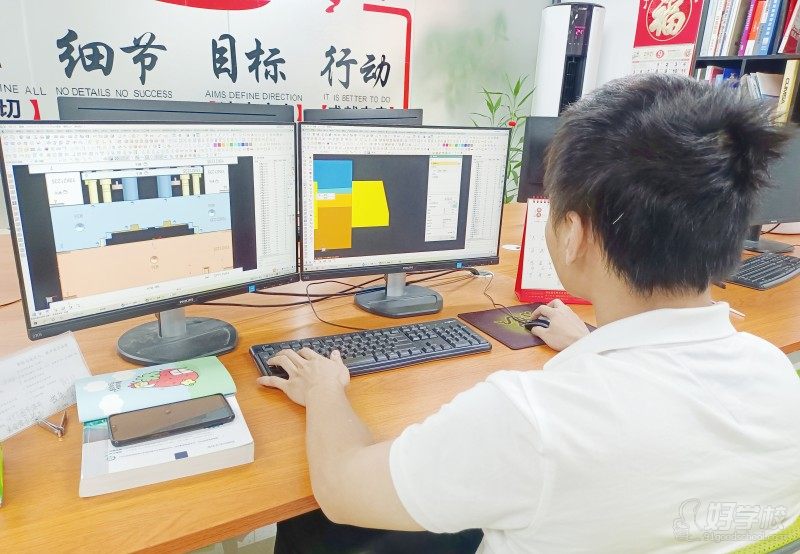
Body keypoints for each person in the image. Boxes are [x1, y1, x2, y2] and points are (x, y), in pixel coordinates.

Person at [259, 74, 800, 553]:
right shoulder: (774, 372)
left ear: (573, 234)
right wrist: (588, 343)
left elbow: (340, 490)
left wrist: (325, 389)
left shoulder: (530, 422)